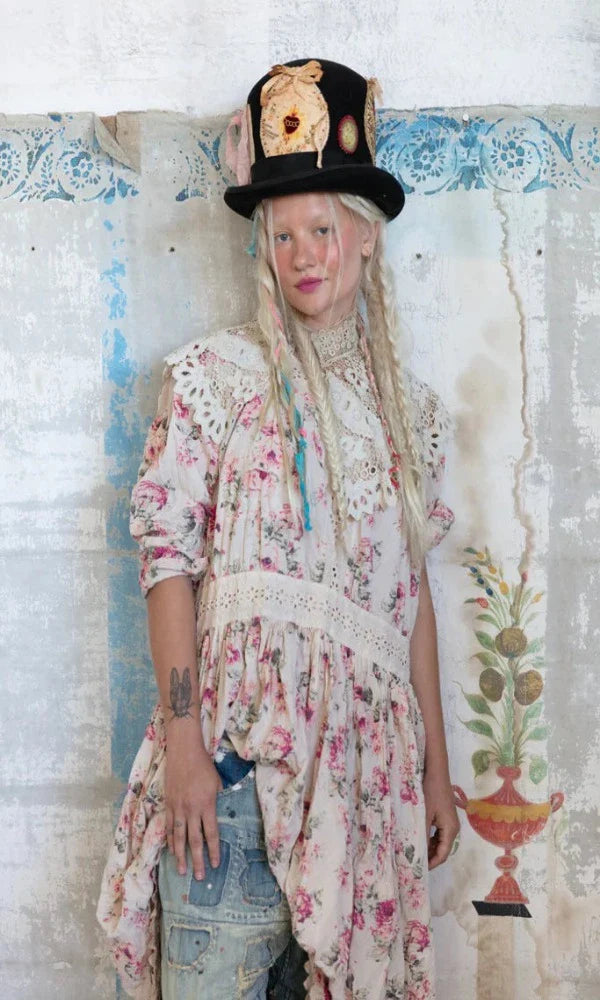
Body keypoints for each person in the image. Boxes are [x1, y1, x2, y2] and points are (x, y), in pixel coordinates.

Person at [97, 57, 460, 1000]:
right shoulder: (213, 380)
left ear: (366, 235)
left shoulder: (412, 418)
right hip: (231, 786)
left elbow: (411, 604)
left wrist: (435, 769)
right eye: (283, 233)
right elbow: (166, 563)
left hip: (370, 798)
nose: (304, 254)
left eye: (323, 229)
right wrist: (185, 750)